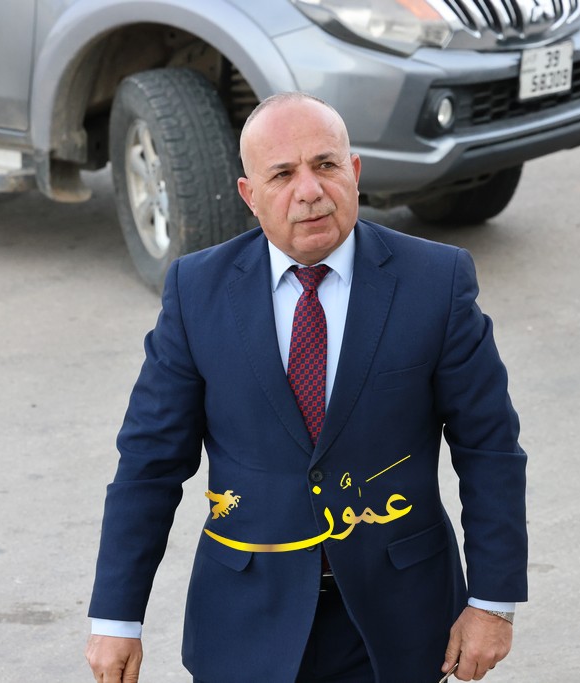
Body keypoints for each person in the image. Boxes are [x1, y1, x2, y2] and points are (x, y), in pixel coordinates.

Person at [85, 92, 527, 683]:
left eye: (325, 165)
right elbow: (149, 462)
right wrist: (117, 617)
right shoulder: (197, 292)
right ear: (249, 195)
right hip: (245, 621)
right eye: (282, 174)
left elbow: (488, 447)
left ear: (355, 172)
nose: (310, 190)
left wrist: (492, 603)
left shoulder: (436, 282)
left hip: (398, 621)